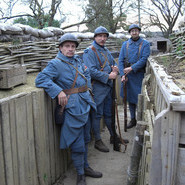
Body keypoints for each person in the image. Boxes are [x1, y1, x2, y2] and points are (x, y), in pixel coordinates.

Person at [35, 33, 102, 185]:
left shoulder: (78, 60)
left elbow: (87, 75)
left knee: (85, 138)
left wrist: (89, 89)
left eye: (73, 46)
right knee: (77, 142)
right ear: (60, 48)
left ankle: (86, 167)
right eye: (67, 46)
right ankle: (80, 175)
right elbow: (40, 79)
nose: (70, 49)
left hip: (85, 103)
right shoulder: (55, 64)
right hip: (72, 108)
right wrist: (58, 91)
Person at [83, 26, 129, 153]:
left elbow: (110, 63)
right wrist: (108, 75)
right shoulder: (89, 51)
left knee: (109, 114)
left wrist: (114, 68)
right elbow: (90, 70)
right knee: (97, 115)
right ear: (95, 37)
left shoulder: (105, 50)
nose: (103, 39)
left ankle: (113, 136)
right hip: (97, 88)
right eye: (100, 36)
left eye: (105, 36)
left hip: (108, 87)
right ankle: (98, 140)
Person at [118, 24, 150, 129]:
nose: (134, 32)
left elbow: (144, 59)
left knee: (139, 99)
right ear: (130, 33)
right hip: (127, 76)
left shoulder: (145, 44)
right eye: (132, 31)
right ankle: (133, 119)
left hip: (139, 75)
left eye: (136, 31)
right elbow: (120, 60)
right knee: (130, 99)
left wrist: (132, 68)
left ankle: (140, 120)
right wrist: (122, 75)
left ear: (139, 32)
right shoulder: (125, 44)